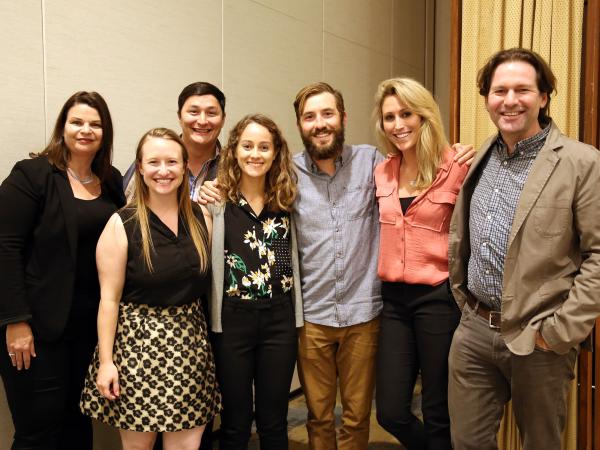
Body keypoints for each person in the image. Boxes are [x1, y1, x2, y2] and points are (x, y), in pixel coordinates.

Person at [448, 47, 600, 450]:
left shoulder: (582, 163)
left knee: (541, 444)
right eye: (499, 90)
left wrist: (559, 332)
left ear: (544, 96)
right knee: (467, 442)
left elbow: (598, 256)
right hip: (475, 331)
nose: (510, 100)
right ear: (486, 97)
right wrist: (465, 306)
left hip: (540, 337)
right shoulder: (482, 155)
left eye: (522, 90)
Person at [79, 128, 221, 450]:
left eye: (172, 161)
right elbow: (109, 300)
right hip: (137, 352)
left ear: (185, 167)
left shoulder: (202, 218)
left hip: (191, 349)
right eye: (153, 162)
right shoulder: (122, 224)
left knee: (187, 446)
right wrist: (106, 362)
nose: (163, 170)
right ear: (140, 168)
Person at [0, 91, 126, 450]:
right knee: (38, 432)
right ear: (63, 127)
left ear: (105, 132)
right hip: (37, 330)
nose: (86, 130)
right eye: (77, 122)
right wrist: (16, 321)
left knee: (77, 427)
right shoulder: (34, 175)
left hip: (89, 330)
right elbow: (5, 247)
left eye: (95, 124)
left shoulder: (112, 180)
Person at [372, 77, 469, 450]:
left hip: (438, 298)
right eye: (389, 117)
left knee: (438, 409)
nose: (398, 124)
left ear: (424, 115)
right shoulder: (382, 172)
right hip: (394, 300)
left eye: (406, 114)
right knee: (390, 411)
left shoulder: (457, 166)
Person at [207, 114, 303, 450]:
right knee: (234, 423)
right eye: (247, 146)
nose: (255, 154)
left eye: (264, 147)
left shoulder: (287, 202)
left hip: (279, 319)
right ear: (233, 151)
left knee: (274, 422)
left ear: (276, 153)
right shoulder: (217, 204)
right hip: (233, 319)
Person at [123, 81, 226, 202]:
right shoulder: (152, 156)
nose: (202, 121)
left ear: (223, 119)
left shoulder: (233, 167)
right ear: (179, 117)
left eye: (211, 113)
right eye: (194, 112)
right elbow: (125, 209)